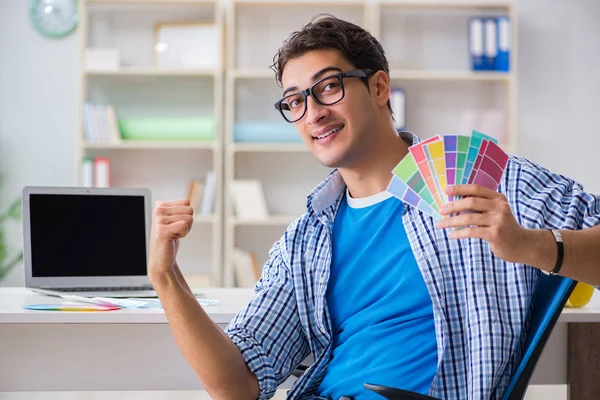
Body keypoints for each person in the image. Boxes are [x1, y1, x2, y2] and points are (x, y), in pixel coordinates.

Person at [148, 15, 600, 400]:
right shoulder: (306, 239)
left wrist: (531, 245)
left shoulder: (481, 179)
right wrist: (166, 278)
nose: (313, 113)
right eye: (295, 101)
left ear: (379, 86)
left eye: (327, 87)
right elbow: (238, 384)